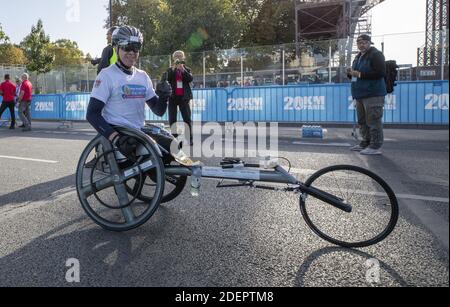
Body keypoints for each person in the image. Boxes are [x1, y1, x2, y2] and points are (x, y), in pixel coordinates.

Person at [86, 25, 172, 160]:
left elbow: (159, 111)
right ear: (116, 47)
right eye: (127, 47)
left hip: (139, 133)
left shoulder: (143, 76)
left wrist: (164, 96)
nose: (132, 52)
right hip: (121, 135)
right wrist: (116, 138)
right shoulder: (106, 75)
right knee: (157, 156)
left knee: (173, 148)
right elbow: (92, 114)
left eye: (136, 48)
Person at [348, 34, 387, 155]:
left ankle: (375, 145)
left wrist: (359, 74)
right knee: (362, 121)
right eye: (359, 43)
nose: (361, 45)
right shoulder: (358, 56)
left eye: (364, 42)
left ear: (369, 43)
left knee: (373, 120)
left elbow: (380, 73)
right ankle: (365, 142)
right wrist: (350, 74)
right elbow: (355, 75)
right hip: (360, 93)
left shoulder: (376, 54)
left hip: (373, 93)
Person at [165, 50, 194, 145]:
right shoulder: (170, 69)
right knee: (172, 119)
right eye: (176, 56)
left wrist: (182, 70)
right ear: (173, 58)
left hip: (184, 97)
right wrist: (174, 69)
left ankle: (189, 138)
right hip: (173, 97)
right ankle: (175, 138)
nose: (178, 57)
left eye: (180, 56)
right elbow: (167, 79)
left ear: (183, 58)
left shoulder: (187, 69)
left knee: (187, 118)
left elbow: (190, 78)